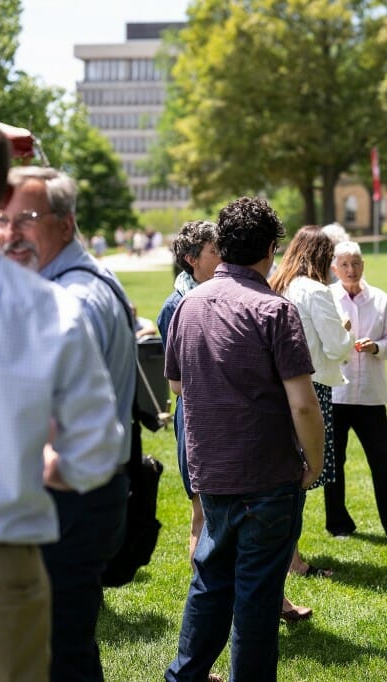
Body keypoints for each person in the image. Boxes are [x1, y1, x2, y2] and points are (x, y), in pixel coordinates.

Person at [0, 112, 124, 682]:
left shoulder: (66, 299)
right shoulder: (51, 305)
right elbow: (95, 455)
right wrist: (41, 461)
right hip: (1, 555)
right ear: (1, 193)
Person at [164, 197, 324, 681]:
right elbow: (302, 402)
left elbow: (174, 384)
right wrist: (313, 465)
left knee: (211, 583)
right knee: (255, 595)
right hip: (266, 475)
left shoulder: (188, 303)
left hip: (210, 468)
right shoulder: (275, 309)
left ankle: (185, 675)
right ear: (271, 250)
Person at [0, 165, 136, 682]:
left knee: (54, 652)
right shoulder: (73, 283)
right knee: (65, 646)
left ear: (65, 222)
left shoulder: (69, 300)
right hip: (83, 498)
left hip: (67, 501)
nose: (9, 234)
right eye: (1, 220)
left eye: (25, 219)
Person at [269, 226, 354, 599]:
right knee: (305, 472)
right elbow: (336, 347)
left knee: (286, 469)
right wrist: (347, 330)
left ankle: (290, 553)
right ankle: (292, 558)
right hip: (311, 385)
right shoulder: (315, 290)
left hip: (277, 387)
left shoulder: (277, 283)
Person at [327, 240, 387, 541]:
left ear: (363, 265)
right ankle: (338, 524)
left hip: (370, 396)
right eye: (345, 265)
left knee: (382, 461)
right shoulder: (326, 298)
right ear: (334, 268)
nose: (351, 270)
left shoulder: (380, 299)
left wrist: (377, 346)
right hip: (336, 394)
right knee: (334, 462)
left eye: (356, 263)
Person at [156, 220, 220, 567]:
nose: (222, 256)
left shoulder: (221, 294)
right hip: (197, 415)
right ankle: (204, 598)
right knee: (202, 512)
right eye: (214, 250)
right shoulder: (175, 306)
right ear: (191, 258)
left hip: (222, 410)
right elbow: (177, 381)